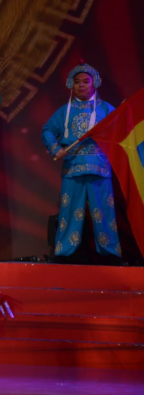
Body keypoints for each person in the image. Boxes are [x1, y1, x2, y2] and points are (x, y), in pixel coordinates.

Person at [41, 63, 120, 262]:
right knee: (69, 211)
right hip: (72, 167)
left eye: (86, 81)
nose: (81, 85)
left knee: (103, 212)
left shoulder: (106, 109)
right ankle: (64, 253)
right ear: (72, 85)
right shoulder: (64, 111)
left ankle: (110, 254)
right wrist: (55, 148)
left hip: (99, 167)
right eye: (77, 82)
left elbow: (121, 130)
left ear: (94, 84)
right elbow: (47, 130)